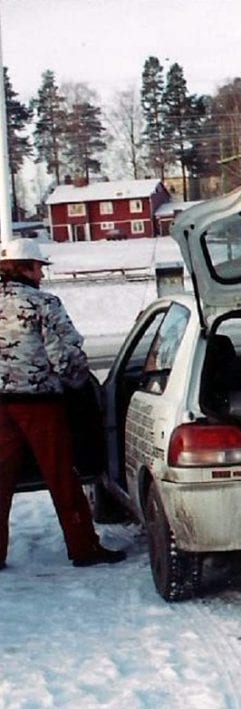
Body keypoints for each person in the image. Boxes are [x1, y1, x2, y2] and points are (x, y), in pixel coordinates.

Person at [0, 239, 126, 569]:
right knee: (62, 476)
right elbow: (65, 355)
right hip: (39, 404)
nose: (42, 273)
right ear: (25, 266)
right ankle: (83, 547)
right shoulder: (44, 303)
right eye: (39, 266)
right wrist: (78, 384)